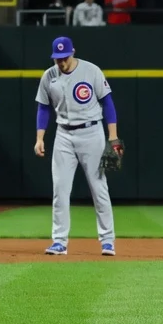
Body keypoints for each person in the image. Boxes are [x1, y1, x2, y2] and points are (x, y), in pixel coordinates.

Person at [33, 36, 118, 257]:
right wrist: (40, 138)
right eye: (57, 58)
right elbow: (43, 108)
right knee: (60, 191)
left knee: (99, 188)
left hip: (92, 132)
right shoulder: (49, 76)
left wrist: (113, 138)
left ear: (73, 52)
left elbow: (107, 103)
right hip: (63, 135)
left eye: (64, 57)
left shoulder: (91, 71)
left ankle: (107, 241)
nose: (61, 62)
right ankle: (59, 241)